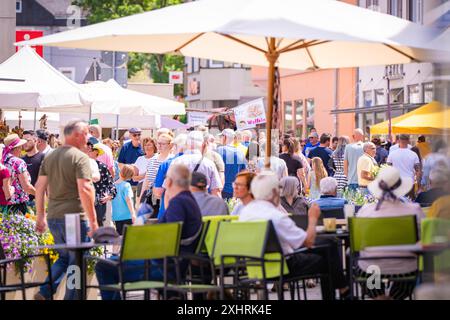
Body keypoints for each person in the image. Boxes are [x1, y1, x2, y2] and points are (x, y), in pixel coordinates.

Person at [95, 164, 202, 300]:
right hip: (174, 264)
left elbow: (169, 237)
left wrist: (140, 228)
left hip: (163, 267)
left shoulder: (179, 203)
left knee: (104, 266)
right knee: (110, 263)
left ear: (168, 181)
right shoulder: (189, 202)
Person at [239, 172, 349, 300]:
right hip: (283, 265)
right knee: (327, 259)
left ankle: (343, 289)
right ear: (274, 192)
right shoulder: (276, 216)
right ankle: (343, 290)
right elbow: (307, 242)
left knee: (329, 244)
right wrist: (312, 218)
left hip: (255, 265)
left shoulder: (245, 213)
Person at [34, 120, 98, 300]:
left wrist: (41, 216)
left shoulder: (50, 156)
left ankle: (45, 292)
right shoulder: (80, 157)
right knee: (76, 262)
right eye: (86, 133)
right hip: (74, 218)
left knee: (64, 258)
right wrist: (94, 223)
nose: (88, 137)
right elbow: (85, 189)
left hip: (54, 215)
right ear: (76, 135)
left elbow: (39, 187)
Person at [357, 166, 424, 299]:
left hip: (371, 268)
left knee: (364, 267)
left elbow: (359, 241)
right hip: (406, 268)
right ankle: (394, 297)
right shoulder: (414, 210)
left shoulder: (366, 212)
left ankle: (378, 296)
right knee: (411, 271)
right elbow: (424, 237)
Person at [172, 131, 222, 196]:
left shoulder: (176, 161)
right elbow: (216, 191)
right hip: (202, 203)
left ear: (186, 144)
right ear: (203, 145)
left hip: (180, 203)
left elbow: (168, 189)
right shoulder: (209, 164)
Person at [153, 134, 187, 219]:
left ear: (175, 146)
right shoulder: (201, 162)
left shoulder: (166, 164)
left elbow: (158, 192)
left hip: (168, 211)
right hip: (191, 211)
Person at [137, 134, 173, 216]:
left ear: (170, 145)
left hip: (164, 197)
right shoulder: (153, 159)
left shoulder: (172, 160)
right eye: (158, 143)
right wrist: (140, 199)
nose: (159, 146)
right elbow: (146, 180)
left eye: (162, 144)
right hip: (150, 197)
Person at [2, 134, 35, 214]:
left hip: (2, 204)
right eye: (20, 147)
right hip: (16, 206)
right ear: (17, 148)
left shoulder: (2, 160)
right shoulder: (18, 162)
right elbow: (26, 187)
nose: (21, 149)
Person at [87, 143, 117, 227]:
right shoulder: (80, 165)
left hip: (99, 202)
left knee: (99, 226)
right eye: (87, 149)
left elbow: (111, 184)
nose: (88, 151)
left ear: (96, 152)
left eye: (91, 150)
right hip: (85, 201)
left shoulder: (102, 166)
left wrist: (109, 195)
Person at [387, 134, 421, 198]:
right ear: (408, 141)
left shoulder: (392, 154)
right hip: (409, 183)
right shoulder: (413, 154)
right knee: (409, 204)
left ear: (399, 141)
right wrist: (419, 185)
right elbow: (418, 171)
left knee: (397, 205)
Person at [217, 129, 246, 200]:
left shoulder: (219, 150)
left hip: (221, 188)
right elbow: (244, 171)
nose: (220, 139)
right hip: (235, 189)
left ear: (225, 137)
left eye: (221, 137)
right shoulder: (240, 152)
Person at [22, 130, 45, 207]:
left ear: (36, 141)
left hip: (37, 201)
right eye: (23, 140)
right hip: (22, 201)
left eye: (27, 140)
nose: (24, 143)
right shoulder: (21, 160)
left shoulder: (43, 157)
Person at [112, 164, 136, 235]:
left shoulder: (113, 185)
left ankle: (115, 247)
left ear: (120, 172)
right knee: (128, 237)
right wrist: (133, 214)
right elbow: (128, 199)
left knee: (120, 237)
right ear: (130, 176)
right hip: (127, 216)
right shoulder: (127, 185)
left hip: (116, 216)